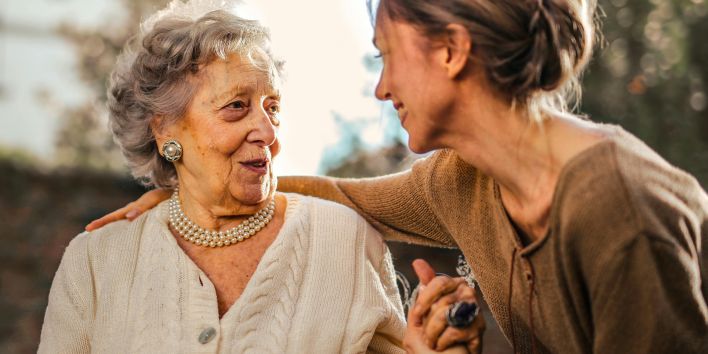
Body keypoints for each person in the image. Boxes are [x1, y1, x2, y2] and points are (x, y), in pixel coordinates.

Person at [88, 0, 708, 353]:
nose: (381, 87)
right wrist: (189, 193)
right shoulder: (461, 181)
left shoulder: (619, 208)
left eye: (386, 55)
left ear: (451, 50)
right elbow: (335, 194)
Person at [39, 2, 482, 353]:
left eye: (273, 107)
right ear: (165, 129)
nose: (268, 133)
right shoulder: (95, 262)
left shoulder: (344, 240)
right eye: (237, 106)